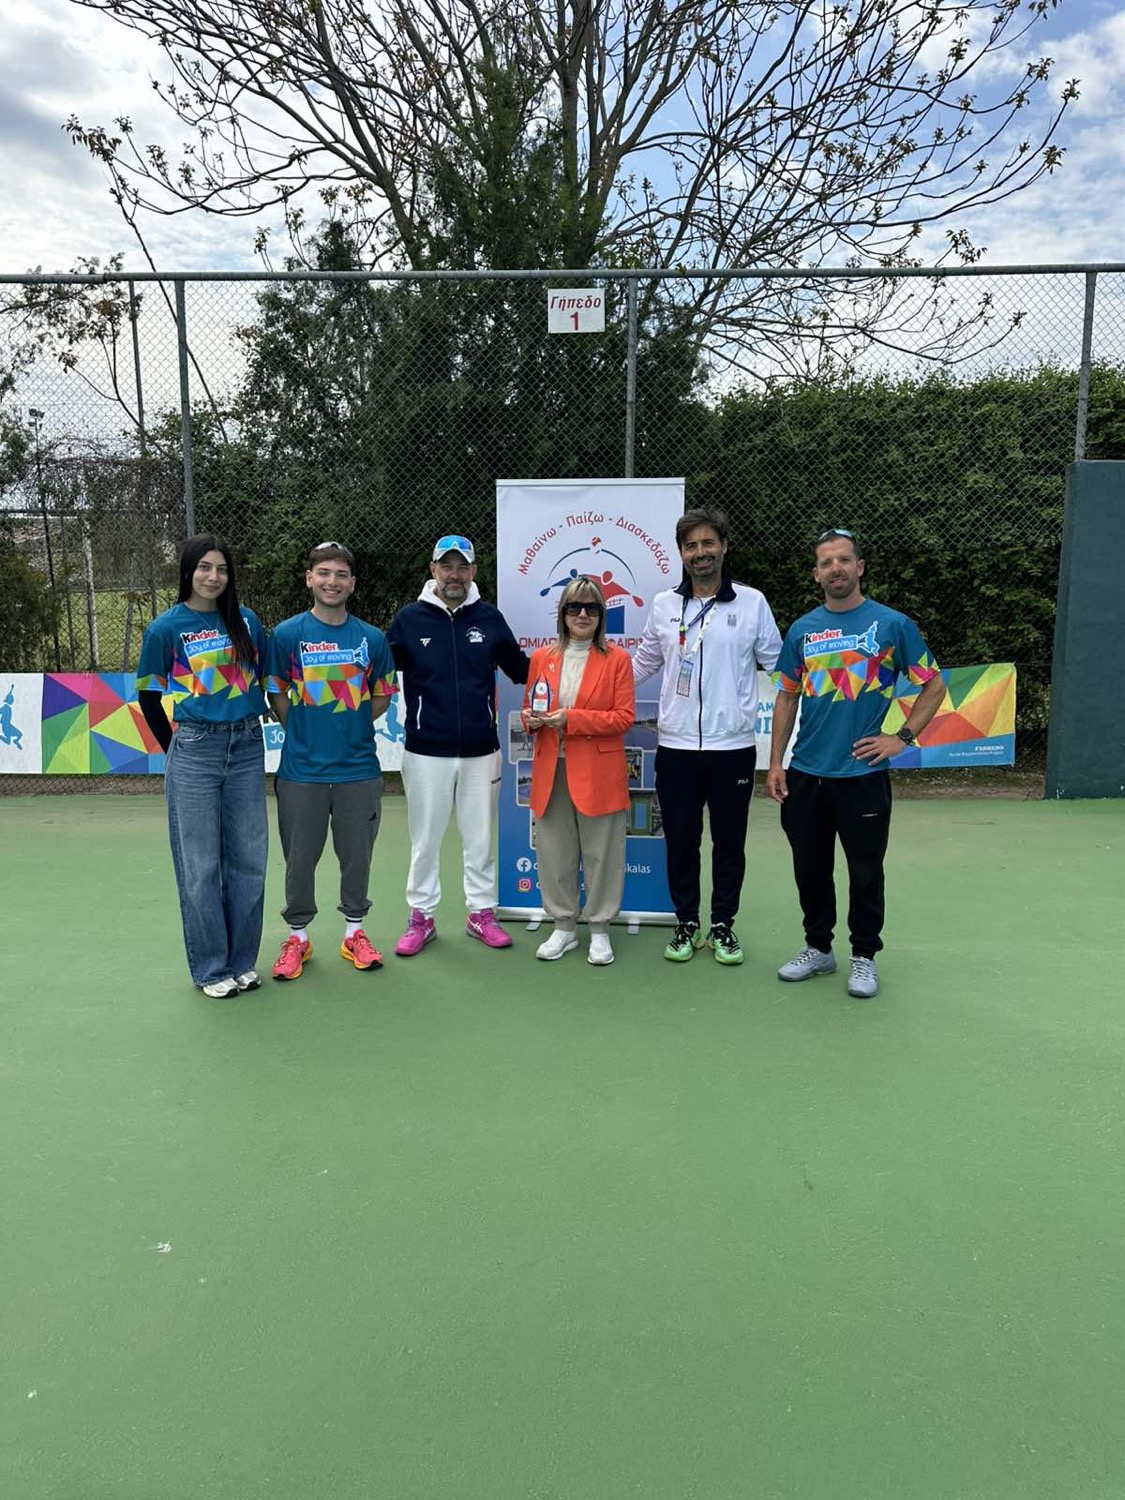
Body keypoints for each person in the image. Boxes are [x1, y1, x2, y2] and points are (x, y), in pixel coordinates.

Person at [767, 528, 947, 998]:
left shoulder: (893, 625)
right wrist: (776, 762)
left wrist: (901, 738)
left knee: (865, 871)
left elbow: (933, 685)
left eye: (844, 560)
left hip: (863, 776)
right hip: (806, 774)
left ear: (860, 567)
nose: (836, 569)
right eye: (826, 562)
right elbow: (786, 697)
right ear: (816, 574)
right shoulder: (802, 630)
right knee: (809, 869)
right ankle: (818, 948)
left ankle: (864, 956)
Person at [634, 507, 782, 965]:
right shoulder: (664, 605)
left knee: (729, 843)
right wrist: (589, 684)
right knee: (681, 840)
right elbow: (642, 664)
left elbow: (780, 667)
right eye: (691, 545)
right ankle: (686, 922)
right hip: (676, 747)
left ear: (724, 547)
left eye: (708, 543)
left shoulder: (752, 603)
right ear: (681, 553)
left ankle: (723, 925)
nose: (701, 553)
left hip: (732, 748)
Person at [137, 534, 268, 998]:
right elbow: (148, 696)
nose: (214, 577)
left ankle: (242, 962)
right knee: (200, 866)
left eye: (222, 569)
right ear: (188, 571)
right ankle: (212, 969)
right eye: (205, 568)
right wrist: (176, 749)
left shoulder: (247, 621)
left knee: (249, 860)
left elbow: (264, 680)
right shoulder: (166, 628)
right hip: (195, 749)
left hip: (248, 745)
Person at [386, 534, 530, 955]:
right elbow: (377, 670)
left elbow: (523, 670)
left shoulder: (489, 618)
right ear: (433, 570)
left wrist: (570, 652)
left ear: (473, 572)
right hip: (424, 750)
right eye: (446, 566)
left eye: (462, 567)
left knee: (479, 840)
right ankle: (421, 917)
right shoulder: (409, 620)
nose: (454, 574)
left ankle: (481, 913)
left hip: (481, 752)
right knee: (425, 841)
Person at [265, 542, 397, 982]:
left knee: (356, 857)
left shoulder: (372, 639)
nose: (332, 581)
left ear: (352, 583)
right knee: (299, 859)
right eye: (323, 573)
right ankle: (298, 937)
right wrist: (303, 727)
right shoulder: (286, 636)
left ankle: (354, 932)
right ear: (309, 579)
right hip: (300, 772)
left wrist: (350, 722)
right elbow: (276, 692)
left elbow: (382, 696)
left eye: (341, 574)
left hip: (359, 770)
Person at [522, 576, 635, 965]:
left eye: (591, 608)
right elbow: (531, 706)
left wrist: (571, 719)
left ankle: (600, 929)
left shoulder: (617, 659)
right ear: (563, 614)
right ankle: (564, 926)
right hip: (551, 768)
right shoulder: (541, 657)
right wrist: (531, 719)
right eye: (574, 607)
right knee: (555, 852)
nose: (582, 614)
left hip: (598, 770)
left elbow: (623, 718)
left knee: (603, 853)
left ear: (602, 615)